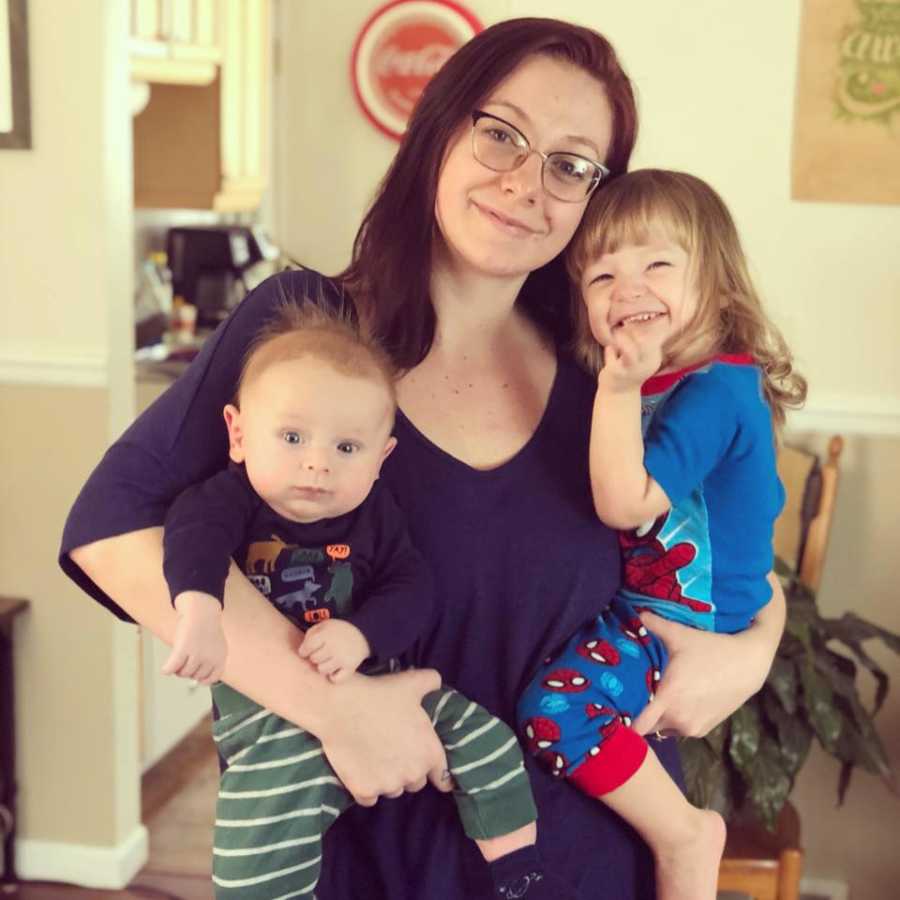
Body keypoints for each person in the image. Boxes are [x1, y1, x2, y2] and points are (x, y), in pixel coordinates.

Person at [60, 18, 787, 899]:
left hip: (591, 864)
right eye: (501, 133)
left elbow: (728, 546)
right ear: (442, 129)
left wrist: (754, 647)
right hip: (365, 862)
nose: (525, 182)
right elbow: (111, 525)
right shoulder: (309, 331)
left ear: (597, 199)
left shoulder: (610, 373)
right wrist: (332, 704)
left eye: (571, 163)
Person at [162, 304, 571, 899]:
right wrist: (198, 609)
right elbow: (189, 540)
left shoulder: (374, 517)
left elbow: (413, 589)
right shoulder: (228, 502)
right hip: (273, 720)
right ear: (239, 434)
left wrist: (361, 636)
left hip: (388, 696)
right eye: (293, 436)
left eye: (348, 448)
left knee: (486, 741)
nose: (317, 463)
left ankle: (515, 871)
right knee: (259, 829)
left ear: (381, 459)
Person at [517, 169, 807, 900]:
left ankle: (683, 833)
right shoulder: (665, 383)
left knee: (558, 711)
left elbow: (623, 503)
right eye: (602, 274)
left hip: (691, 619)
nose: (628, 288)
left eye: (656, 264)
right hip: (662, 604)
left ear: (714, 281)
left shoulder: (712, 388)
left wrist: (615, 390)